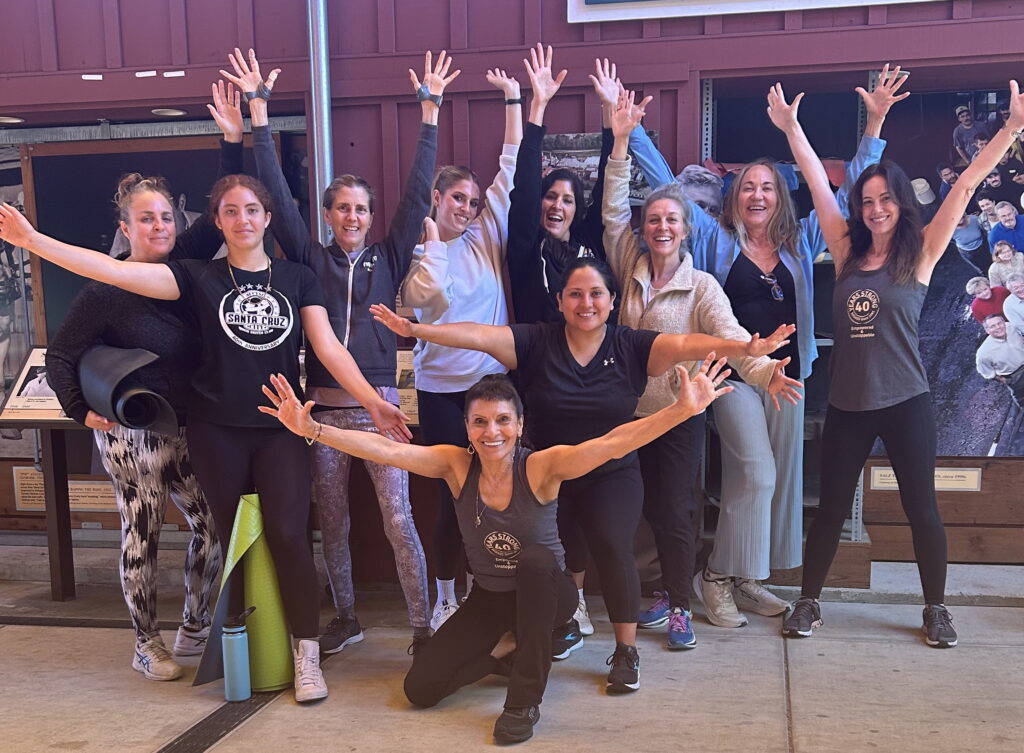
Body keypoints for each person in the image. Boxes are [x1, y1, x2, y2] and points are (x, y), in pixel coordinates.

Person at [0, 173, 410, 702]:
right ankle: (236, 651)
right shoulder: (195, 276)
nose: (244, 220)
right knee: (231, 542)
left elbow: (329, 347)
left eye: (253, 210)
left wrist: (374, 400)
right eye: (232, 212)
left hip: (282, 427)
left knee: (288, 536)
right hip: (216, 430)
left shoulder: (297, 277)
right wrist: (33, 243)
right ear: (217, 222)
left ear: (267, 218)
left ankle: (306, 654)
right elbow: (108, 271)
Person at [259, 357, 731, 743]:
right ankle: (504, 653)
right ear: (466, 426)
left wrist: (680, 412)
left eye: (503, 421)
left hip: (550, 594)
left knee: (535, 560)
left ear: (519, 425)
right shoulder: (454, 465)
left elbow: (611, 444)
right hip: (490, 598)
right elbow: (389, 452)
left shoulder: (542, 467)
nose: (492, 432)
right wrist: (314, 431)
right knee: (420, 688)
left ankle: (524, 701)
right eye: (480, 421)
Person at [373, 258, 792, 692]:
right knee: (548, 556)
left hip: (612, 470)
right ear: (560, 301)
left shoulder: (631, 345)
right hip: (546, 473)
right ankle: (557, 628)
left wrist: (745, 351)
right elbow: (478, 336)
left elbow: (689, 342)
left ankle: (626, 651)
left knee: (612, 545)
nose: (586, 302)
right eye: (575, 293)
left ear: (613, 301)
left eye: (596, 293)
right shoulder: (537, 341)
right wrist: (417, 331)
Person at [627, 65, 900, 627]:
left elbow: (842, 193)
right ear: (734, 198)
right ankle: (718, 577)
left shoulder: (801, 243)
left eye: (767, 186)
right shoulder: (712, 238)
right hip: (729, 376)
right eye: (748, 185)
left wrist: (874, 122)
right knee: (756, 472)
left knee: (777, 480)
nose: (757, 193)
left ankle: (748, 576)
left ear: (780, 198)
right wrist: (631, 131)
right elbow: (669, 191)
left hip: (788, 374)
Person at [767, 74, 1024, 648]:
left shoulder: (923, 250)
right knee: (830, 509)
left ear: (899, 203)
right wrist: (792, 128)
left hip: (907, 401)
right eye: (867, 201)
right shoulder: (845, 247)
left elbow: (968, 186)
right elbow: (812, 180)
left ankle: (936, 609)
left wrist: (1010, 127)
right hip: (849, 405)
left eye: (885, 199)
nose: (876, 208)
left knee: (921, 510)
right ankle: (809, 602)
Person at [219, 48, 455, 655]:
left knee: (398, 518)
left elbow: (417, 192)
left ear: (372, 218)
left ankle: (423, 626)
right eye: (342, 208)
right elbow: (273, 190)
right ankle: (346, 614)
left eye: (361, 209)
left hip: (379, 404)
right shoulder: (309, 257)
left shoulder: (391, 255)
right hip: (321, 413)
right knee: (335, 521)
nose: (352, 216)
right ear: (327, 215)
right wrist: (260, 115)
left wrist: (429, 115)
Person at [41, 89, 249, 681]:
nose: (159, 225)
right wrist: (81, 411)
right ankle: (143, 642)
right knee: (144, 528)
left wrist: (231, 140)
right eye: (146, 218)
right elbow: (63, 353)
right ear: (125, 225)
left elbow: (224, 211)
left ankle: (192, 624)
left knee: (211, 525)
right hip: (133, 431)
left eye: (165, 217)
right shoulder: (104, 287)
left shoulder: (182, 264)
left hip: (187, 422)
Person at [603, 89, 804, 649]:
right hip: (627, 410)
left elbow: (734, 336)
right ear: (645, 228)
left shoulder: (704, 286)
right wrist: (620, 140)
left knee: (676, 509)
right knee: (631, 507)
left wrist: (763, 368)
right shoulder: (629, 267)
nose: (663, 227)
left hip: (678, 412)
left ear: (687, 229)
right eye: (655, 220)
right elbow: (612, 207)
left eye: (672, 220)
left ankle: (679, 604)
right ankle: (652, 592)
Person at [400, 64, 522, 632]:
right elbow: (430, 302)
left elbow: (513, 158)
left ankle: (487, 587)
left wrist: (516, 98)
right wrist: (435, 244)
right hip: (441, 391)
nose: (467, 208)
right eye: (457, 199)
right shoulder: (421, 248)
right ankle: (445, 593)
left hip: (490, 386)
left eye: (473, 201)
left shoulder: (489, 231)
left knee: (494, 492)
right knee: (453, 494)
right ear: (438, 197)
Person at [504, 49, 618, 640]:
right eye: (552, 198)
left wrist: (609, 123)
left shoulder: (587, 257)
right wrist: (536, 111)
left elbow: (603, 202)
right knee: (542, 496)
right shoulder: (524, 250)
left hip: (585, 381)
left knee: (583, 495)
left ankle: (574, 601)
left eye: (567, 200)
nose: (557, 205)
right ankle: (545, 598)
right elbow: (523, 193)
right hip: (535, 385)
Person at [976, 314, 1024, 408]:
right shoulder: (983, 353)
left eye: (1000, 323)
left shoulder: (1011, 327)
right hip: (1015, 376)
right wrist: (1007, 381)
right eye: (993, 326)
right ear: (987, 331)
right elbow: (987, 373)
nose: (998, 327)